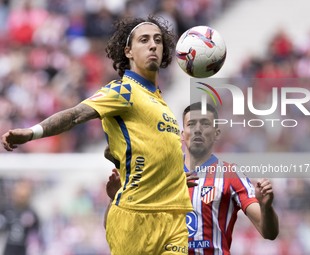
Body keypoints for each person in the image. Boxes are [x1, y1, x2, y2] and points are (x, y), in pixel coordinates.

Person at [1, 15, 192, 255]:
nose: (153, 44)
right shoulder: (123, 90)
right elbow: (75, 115)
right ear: (129, 51)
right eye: (144, 40)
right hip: (137, 216)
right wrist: (32, 132)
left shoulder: (161, 103)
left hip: (175, 218)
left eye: (157, 40)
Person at [182, 102, 279, 254]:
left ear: (216, 133)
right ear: (183, 134)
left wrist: (265, 207)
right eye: (191, 124)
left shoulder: (230, 174)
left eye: (205, 124)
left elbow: (269, 233)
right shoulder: (166, 173)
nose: (198, 130)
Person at [0, 180, 42, 255]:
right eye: (18, 196)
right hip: (9, 247)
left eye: (22, 197)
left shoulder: (31, 212)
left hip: (23, 248)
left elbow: (37, 230)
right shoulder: (7, 210)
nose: (20, 199)